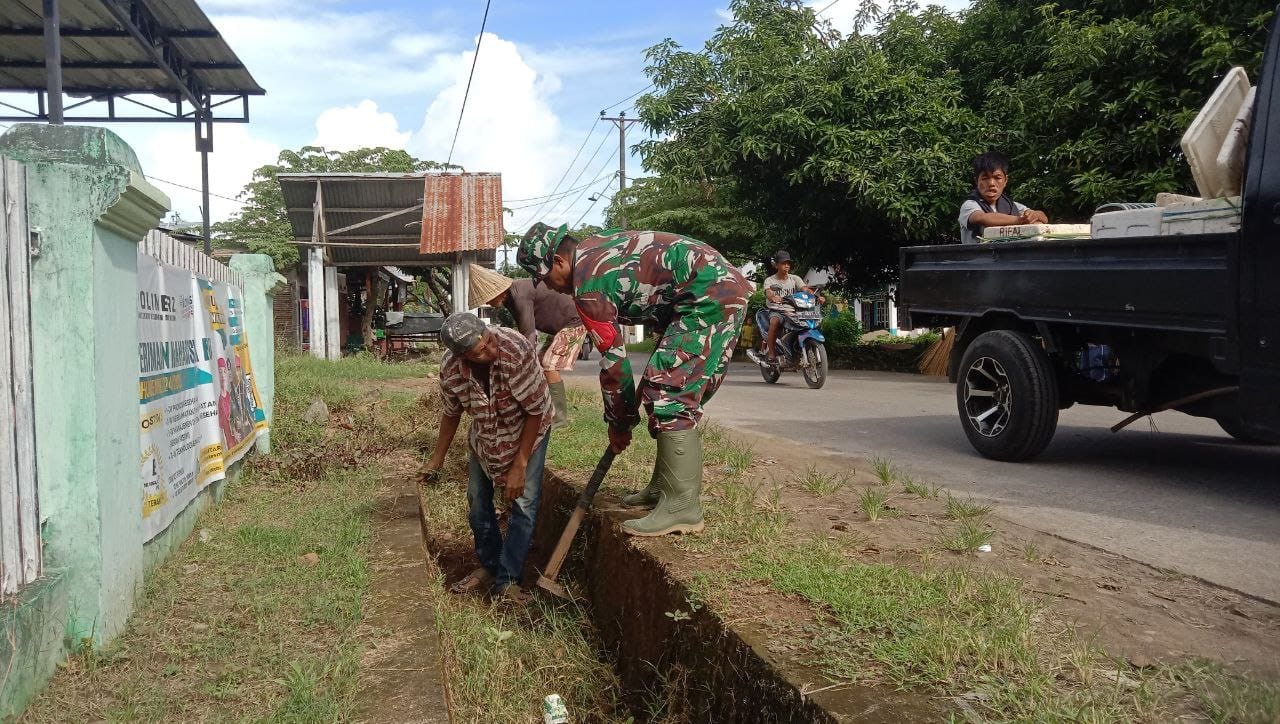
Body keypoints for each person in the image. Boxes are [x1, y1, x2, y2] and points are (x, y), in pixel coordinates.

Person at [517, 223, 753, 537]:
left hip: (709, 293)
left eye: (546, 279)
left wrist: (619, 423)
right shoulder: (594, 251)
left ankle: (682, 506)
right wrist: (627, 414)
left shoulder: (588, 286)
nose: (550, 287)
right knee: (659, 385)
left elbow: (614, 366)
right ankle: (662, 487)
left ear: (559, 262)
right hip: (707, 289)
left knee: (669, 393)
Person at [421, 313, 552, 601]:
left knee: (525, 504)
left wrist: (520, 465)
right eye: (479, 351)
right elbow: (451, 413)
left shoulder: (516, 349)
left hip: (529, 431)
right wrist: (437, 458)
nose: (489, 350)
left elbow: (534, 412)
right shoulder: (451, 369)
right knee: (477, 501)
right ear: (462, 356)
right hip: (486, 438)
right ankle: (490, 565)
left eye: (489, 341)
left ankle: (508, 580)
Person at [467, 263, 587, 429]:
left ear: (497, 291)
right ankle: (545, 410)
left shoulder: (520, 294)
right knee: (537, 365)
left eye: (488, 297)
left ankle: (559, 419)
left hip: (574, 322)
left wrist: (517, 364)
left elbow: (528, 335)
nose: (487, 301)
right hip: (559, 328)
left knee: (549, 366)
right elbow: (523, 333)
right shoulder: (510, 298)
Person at [958, 151, 1049, 245]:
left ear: (1005, 180)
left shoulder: (1012, 205)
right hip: (979, 258)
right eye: (985, 178)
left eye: (997, 178)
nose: (991, 184)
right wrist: (1021, 220)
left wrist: (1034, 215)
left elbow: (1044, 218)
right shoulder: (970, 205)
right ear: (976, 181)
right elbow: (982, 218)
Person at [753, 250, 821, 365]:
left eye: (788, 263)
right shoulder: (770, 280)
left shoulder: (794, 279)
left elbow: (804, 289)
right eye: (784, 263)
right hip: (777, 310)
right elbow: (768, 292)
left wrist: (815, 296)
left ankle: (798, 347)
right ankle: (771, 353)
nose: (787, 266)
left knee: (811, 321)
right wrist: (773, 297)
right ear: (777, 265)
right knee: (774, 322)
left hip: (794, 311)